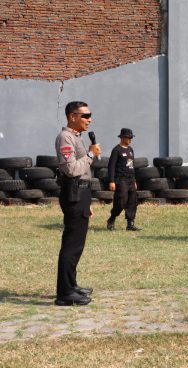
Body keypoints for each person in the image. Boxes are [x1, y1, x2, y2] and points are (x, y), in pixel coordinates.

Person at [54, 101, 101, 306]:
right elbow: (71, 170)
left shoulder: (76, 138)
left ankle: (71, 285)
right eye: (85, 115)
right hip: (73, 193)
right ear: (72, 117)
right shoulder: (65, 137)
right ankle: (65, 293)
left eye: (90, 115)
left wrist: (87, 200)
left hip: (81, 193)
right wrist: (91, 154)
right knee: (71, 245)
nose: (89, 119)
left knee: (77, 244)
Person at [106, 128, 141, 231]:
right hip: (121, 180)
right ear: (122, 138)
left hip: (130, 179)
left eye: (131, 137)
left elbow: (131, 165)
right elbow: (111, 166)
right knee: (120, 201)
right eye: (129, 137)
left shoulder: (130, 150)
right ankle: (111, 219)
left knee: (132, 201)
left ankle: (130, 224)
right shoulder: (116, 150)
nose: (130, 139)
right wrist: (111, 181)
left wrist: (134, 181)